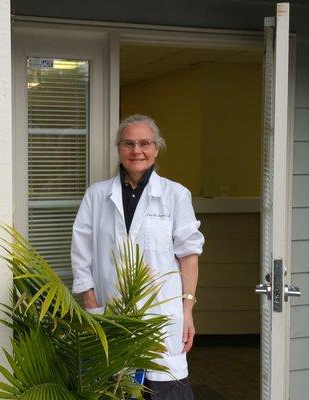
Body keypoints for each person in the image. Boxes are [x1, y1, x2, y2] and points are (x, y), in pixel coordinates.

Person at [71, 114, 204, 400]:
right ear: (119, 149)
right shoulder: (96, 196)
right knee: (115, 388)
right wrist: (91, 301)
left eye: (145, 143)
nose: (137, 151)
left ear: (157, 148)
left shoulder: (175, 195)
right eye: (128, 143)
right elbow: (81, 251)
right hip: (110, 312)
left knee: (164, 387)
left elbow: (189, 254)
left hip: (162, 315)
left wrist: (187, 309)